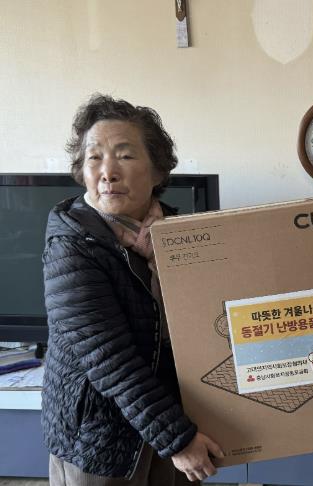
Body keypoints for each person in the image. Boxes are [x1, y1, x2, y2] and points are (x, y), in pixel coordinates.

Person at [42, 94, 223, 485]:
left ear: (157, 170)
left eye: (124, 156)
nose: (108, 172)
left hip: (172, 416)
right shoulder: (72, 244)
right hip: (101, 438)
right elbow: (110, 360)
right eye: (94, 157)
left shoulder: (178, 235)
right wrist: (177, 440)